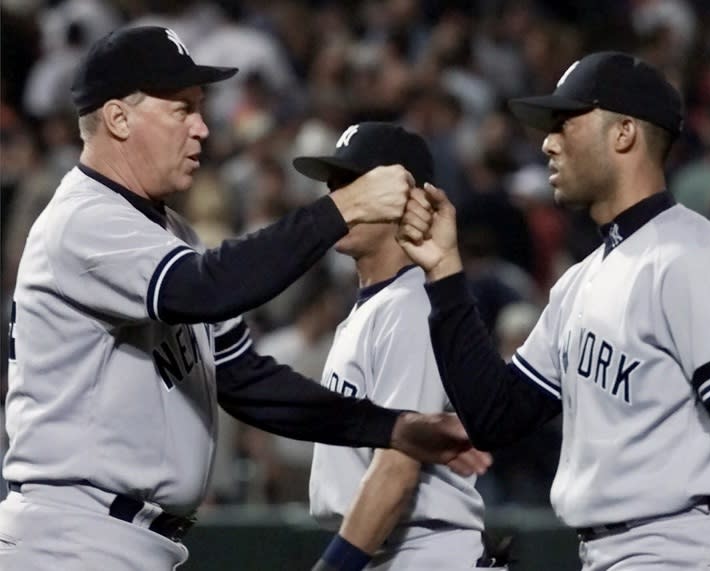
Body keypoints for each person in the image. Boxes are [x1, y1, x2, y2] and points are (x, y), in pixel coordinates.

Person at [0, 26, 490, 571]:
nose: (202, 128)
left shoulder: (170, 234)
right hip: (72, 537)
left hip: (117, 540)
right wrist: (342, 209)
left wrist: (390, 427)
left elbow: (247, 380)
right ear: (118, 118)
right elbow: (211, 286)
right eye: (182, 109)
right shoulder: (84, 219)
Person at [398, 51, 710, 570]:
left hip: (679, 551)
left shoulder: (691, 257)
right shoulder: (579, 282)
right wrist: (445, 277)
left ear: (624, 133)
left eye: (565, 123)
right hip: (606, 554)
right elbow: (496, 415)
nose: (547, 141)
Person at [291, 122, 507, 571]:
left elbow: (397, 468)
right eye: (334, 185)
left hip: (423, 552)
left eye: (354, 183)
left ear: (409, 198)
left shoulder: (409, 306)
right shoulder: (375, 308)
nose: (338, 198)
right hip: (388, 550)